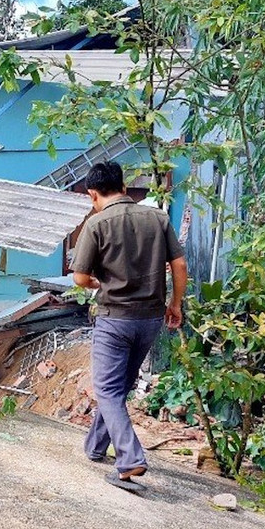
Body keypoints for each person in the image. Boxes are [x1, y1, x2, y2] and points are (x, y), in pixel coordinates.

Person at [70, 161, 187, 488]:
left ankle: (130, 461)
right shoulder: (158, 218)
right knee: (119, 386)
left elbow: (79, 277)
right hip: (150, 319)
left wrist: (96, 284)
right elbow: (179, 265)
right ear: (123, 186)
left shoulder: (96, 224)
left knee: (107, 389)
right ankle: (95, 447)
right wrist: (175, 304)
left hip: (115, 320)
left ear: (93, 194)